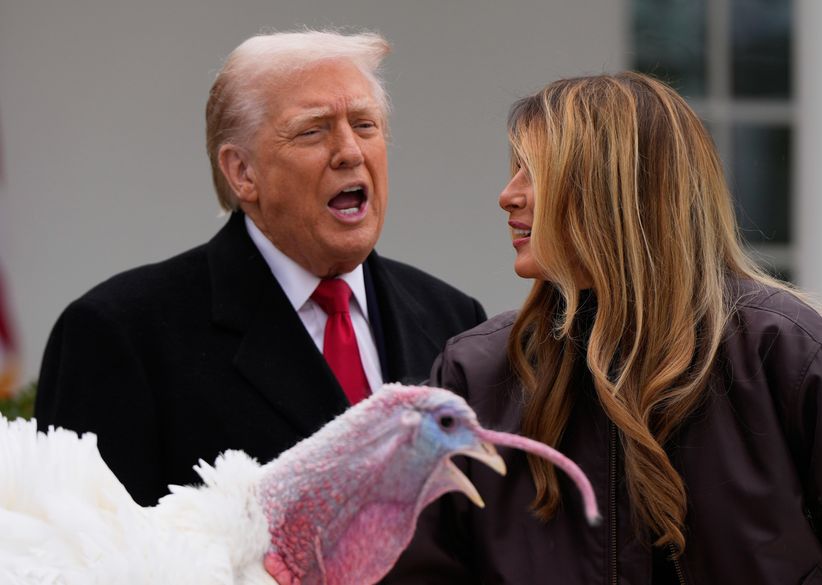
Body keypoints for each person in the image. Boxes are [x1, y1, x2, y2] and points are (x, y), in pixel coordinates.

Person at [385, 73, 822, 584]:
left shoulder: (788, 353)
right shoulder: (475, 373)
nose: (507, 196)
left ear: (613, 189)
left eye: (535, 172)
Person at [34, 30, 486, 507]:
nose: (351, 151)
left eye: (365, 125)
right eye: (313, 130)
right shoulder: (120, 333)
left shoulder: (455, 322)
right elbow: (82, 543)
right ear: (242, 172)